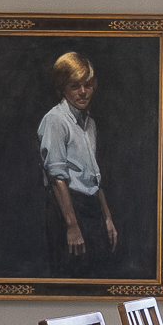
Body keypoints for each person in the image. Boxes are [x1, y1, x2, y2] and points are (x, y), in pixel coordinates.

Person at [37, 51, 119, 275]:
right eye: (75, 86)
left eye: (88, 85)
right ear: (62, 88)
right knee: (70, 276)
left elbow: (95, 177)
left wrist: (107, 219)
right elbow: (57, 176)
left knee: (96, 274)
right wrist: (72, 226)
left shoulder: (89, 123)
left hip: (91, 209)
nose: (83, 92)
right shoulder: (55, 120)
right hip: (67, 209)